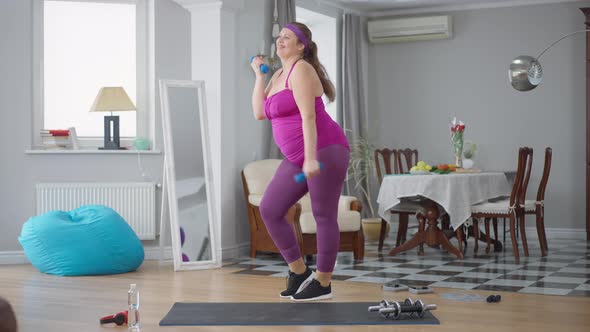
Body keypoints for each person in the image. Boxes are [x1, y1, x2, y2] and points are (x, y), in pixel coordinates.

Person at [250, 22, 350, 301]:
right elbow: (260, 112)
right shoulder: (279, 74)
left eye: (287, 37)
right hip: (297, 158)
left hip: (325, 151)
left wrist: (312, 158)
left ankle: (324, 281)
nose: (280, 41)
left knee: (322, 214)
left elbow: (308, 116)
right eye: (279, 37)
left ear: (301, 45)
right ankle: (298, 271)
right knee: (270, 209)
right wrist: (259, 76)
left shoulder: (302, 70)